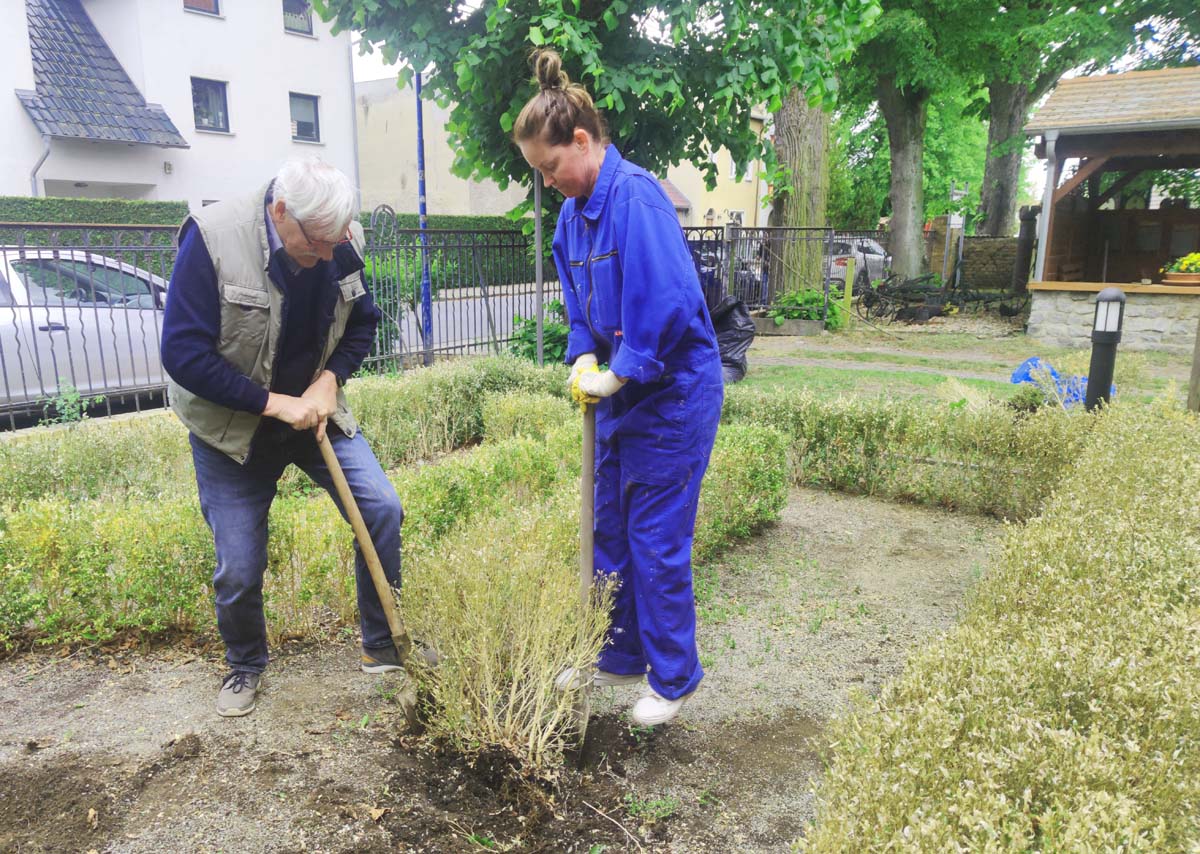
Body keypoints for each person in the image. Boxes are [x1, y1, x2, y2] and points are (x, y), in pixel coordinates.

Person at [513, 50, 724, 727]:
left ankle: (674, 677)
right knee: (607, 529)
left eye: (550, 167)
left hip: (671, 392)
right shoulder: (573, 218)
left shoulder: (636, 199)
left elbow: (664, 302)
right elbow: (579, 310)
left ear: (582, 140)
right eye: (537, 174)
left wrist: (620, 369)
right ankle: (618, 652)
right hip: (616, 395)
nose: (548, 182)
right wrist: (581, 359)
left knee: (655, 539)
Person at [162, 156, 408, 718]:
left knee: (381, 508)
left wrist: (326, 382)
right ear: (280, 213)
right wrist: (275, 404)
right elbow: (182, 354)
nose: (326, 255)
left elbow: (363, 322)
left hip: (313, 414)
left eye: (334, 242)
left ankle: (384, 645)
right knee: (240, 565)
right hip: (235, 429)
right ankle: (245, 663)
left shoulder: (340, 239)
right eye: (315, 244)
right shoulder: (213, 240)